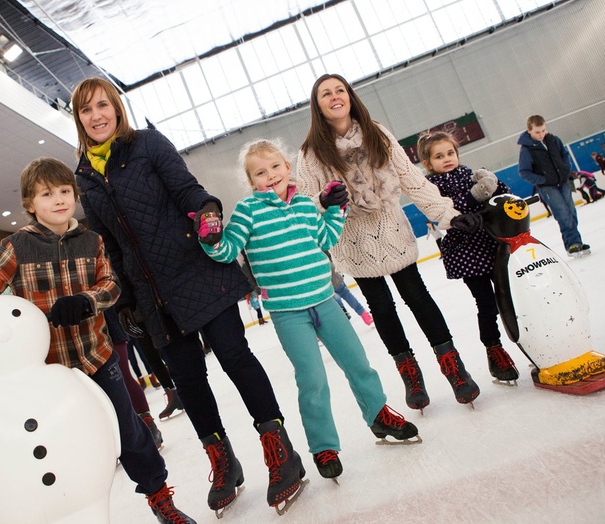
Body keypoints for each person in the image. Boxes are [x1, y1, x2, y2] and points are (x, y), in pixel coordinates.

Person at [71, 77, 305, 516]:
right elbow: (107, 243)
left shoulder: (147, 144)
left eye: (103, 105)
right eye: (87, 110)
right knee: (189, 382)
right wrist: (125, 302)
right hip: (151, 295)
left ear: (117, 108)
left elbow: (188, 191)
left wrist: (209, 212)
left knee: (236, 358)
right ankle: (223, 461)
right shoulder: (84, 175)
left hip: (198, 271)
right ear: (78, 118)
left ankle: (280, 450)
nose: (97, 115)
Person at [0, 157, 193, 524]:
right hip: (47, 373)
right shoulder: (17, 247)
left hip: (96, 358)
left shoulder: (92, 241)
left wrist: (87, 300)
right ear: (30, 204)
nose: (59, 199)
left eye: (65, 191)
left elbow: (111, 285)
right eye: (47, 194)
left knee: (128, 432)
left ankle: (161, 500)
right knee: (59, 446)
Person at [200, 137, 420, 481]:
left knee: (358, 363)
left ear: (288, 169)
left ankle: (378, 415)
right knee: (312, 379)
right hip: (289, 313)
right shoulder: (247, 212)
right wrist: (210, 240)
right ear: (251, 181)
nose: (270, 175)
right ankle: (323, 446)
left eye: (275, 167)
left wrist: (336, 209)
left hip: (325, 300)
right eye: (260, 172)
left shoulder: (304, 205)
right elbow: (228, 251)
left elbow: (326, 239)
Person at [296, 73, 481, 412]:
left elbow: (411, 179)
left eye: (340, 90)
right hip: (352, 241)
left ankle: (454, 369)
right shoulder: (311, 153)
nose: (335, 96)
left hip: (392, 230)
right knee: (381, 308)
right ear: (317, 105)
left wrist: (448, 214)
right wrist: (324, 199)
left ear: (350, 96)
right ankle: (411, 376)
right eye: (326, 93)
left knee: (418, 298)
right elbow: (305, 202)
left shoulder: (376, 133)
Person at [418, 131, 520, 384]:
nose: (447, 159)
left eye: (450, 153)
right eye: (439, 156)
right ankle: (494, 351)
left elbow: (495, 196)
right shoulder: (432, 188)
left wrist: (494, 183)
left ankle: (531, 340)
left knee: (514, 297)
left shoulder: (469, 173)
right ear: (429, 163)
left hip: (491, 245)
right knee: (487, 304)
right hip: (466, 253)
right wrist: (474, 196)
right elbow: (447, 211)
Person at [518, 116, 590, 256]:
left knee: (571, 212)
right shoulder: (526, 150)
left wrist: (565, 170)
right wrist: (543, 180)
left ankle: (576, 243)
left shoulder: (553, 140)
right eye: (537, 132)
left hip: (563, 182)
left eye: (543, 130)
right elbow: (523, 171)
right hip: (547, 187)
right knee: (562, 213)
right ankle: (573, 244)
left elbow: (564, 155)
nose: (541, 134)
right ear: (529, 131)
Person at [105, 308, 164, 449]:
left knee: (123, 376)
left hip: (107, 325)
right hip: (76, 336)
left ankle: (149, 424)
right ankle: (116, 438)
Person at [329, 261, 374, 325]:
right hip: (334, 275)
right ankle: (365, 316)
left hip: (327, 281)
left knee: (334, 298)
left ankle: (343, 311)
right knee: (347, 295)